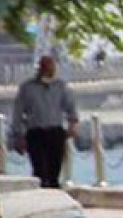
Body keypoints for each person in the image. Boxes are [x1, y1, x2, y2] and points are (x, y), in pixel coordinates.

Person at [10, 55, 78, 188]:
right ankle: (42, 194)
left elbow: (70, 106)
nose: (49, 70)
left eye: (51, 67)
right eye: (46, 67)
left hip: (55, 132)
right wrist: (18, 135)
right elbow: (18, 113)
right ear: (40, 68)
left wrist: (73, 123)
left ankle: (54, 194)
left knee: (55, 170)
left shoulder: (60, 87)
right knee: (39, 170)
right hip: (36, 133)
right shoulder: (27, 88)